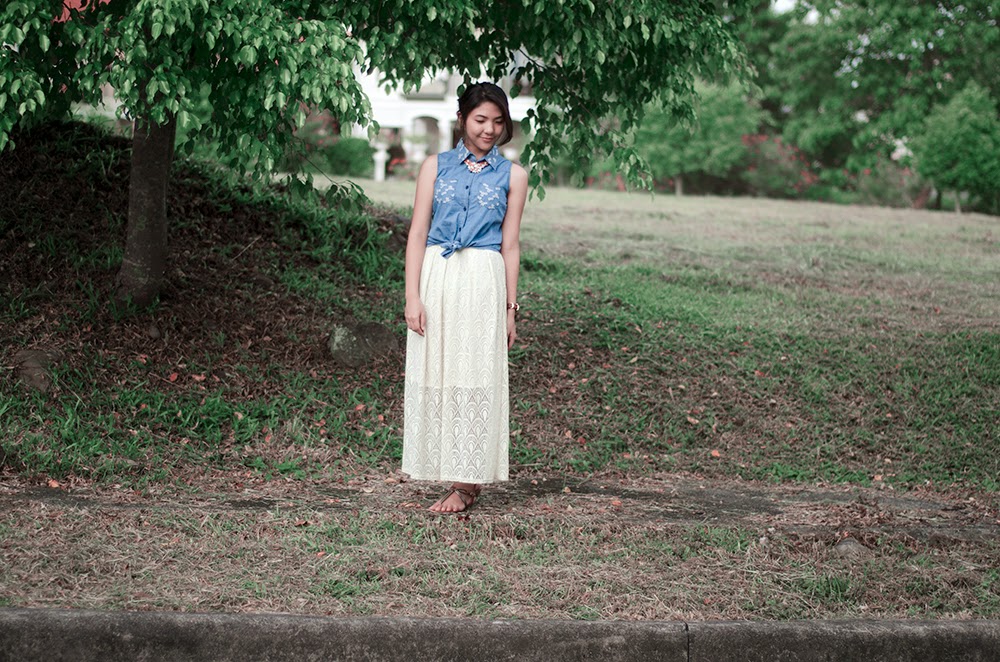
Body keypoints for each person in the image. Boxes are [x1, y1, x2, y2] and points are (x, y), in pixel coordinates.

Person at [402, 82, 528, 513]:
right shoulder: (434, 166)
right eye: (480, 120)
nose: (489, 129)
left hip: (483, 279)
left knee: (475, 373)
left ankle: (466, 483)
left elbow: (510, 244)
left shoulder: (514, 176)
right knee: (438, 370)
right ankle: (443, 465)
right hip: (437, 274)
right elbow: (417, 233)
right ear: (461, 119)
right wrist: (412, 296)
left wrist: (510, 309)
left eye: (498, 121)